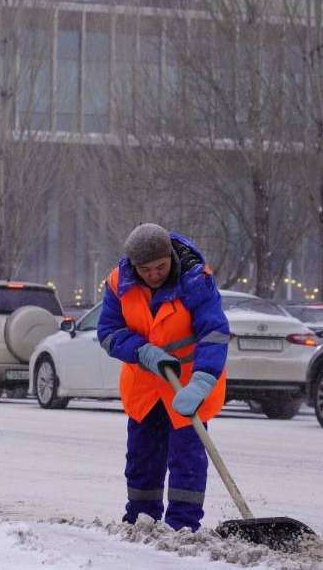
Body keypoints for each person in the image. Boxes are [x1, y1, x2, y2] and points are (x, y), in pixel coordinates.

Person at [97, 223, 230, 532]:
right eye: (146, 269)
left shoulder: (195, 280)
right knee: (142, 459)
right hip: (145, 387)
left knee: (187, 460)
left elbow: (214, 332)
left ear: (170, 256)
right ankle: (141, 521)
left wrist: (202, 380)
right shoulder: (118, 283)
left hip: (187, 386)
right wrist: (142, 351)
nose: (154, 274)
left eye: (160, 266)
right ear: (133, 265)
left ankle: (182, 527)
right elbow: (108, 332)